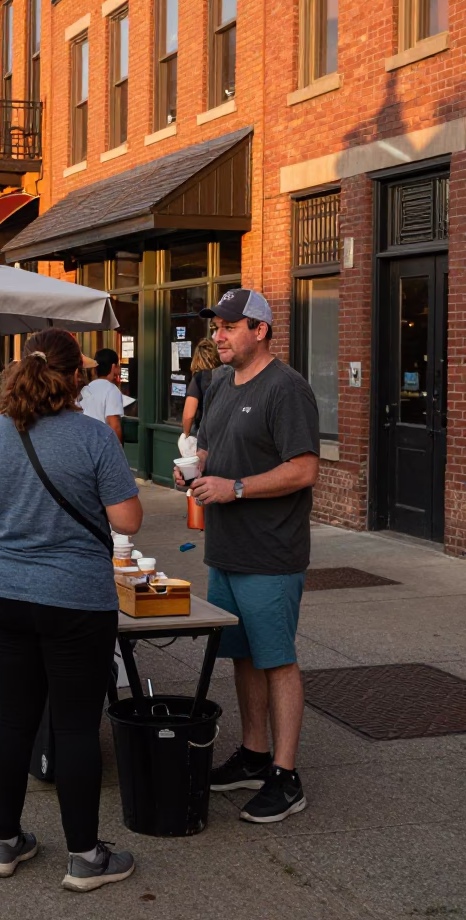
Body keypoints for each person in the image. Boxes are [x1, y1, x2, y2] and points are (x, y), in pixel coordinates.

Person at [0, 329, 142, 892]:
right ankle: (85, 856)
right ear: (75, 379)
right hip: (75, 600)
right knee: (73, 726)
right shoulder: (94, 438)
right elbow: (129, 521)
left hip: (5, 591)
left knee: (13, 719)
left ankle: (4, 842)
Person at [173, 289, 319, 825]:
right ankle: (255, 754)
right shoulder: (217, 385)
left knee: (276, 658)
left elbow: (303, 470)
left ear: (259, 329)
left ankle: (286, 776)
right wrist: (194, 471)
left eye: (230, 326)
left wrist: (234, 487)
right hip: (226, 550)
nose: (218, 335)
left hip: (271, 552)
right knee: (241, 655)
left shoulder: (287, 388)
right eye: (216, 327)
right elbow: (210, 450)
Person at [78, 348, 124, 442]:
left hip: (83, 442)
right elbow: (114, 425)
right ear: (113, 367)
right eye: (118, 365)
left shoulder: (86, 389)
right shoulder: (112, 390)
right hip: (101, 444)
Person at [181, 337, 222, 437]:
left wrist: (186, 435)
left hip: (204, 433)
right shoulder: (227, 374)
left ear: (197, 357)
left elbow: (189, 415)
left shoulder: (199, 378)